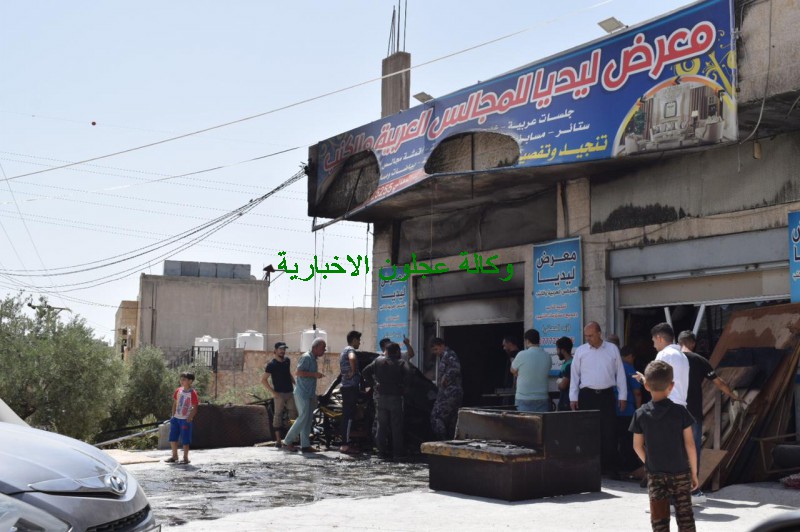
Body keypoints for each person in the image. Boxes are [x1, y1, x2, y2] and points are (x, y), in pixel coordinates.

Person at [630, 360, 698, 532]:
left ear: (646, 386)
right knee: (685, 517)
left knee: (659, 519)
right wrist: (694, 472)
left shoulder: (640, 414)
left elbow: (637, 446)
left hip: (655, 474)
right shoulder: (681, 412)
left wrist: (649, 462)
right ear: (671, 386)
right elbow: (690, 444)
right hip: (681, 472)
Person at [678, 330, 741, 504]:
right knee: (693, 451)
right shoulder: (699, 360)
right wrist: (733, 395)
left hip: (673, 413)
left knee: (675, 450)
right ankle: (694, 491)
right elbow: (718, 382)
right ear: (693, 343)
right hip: (692, 413)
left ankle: (674, 489)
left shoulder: (671, 359)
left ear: (679, 343)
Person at [570, 322, 627, 476]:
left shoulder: (612, 349)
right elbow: (574, 375)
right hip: (587, 396)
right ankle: (590, 466)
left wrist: (622, 396)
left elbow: (620, 373)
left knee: (609, 431)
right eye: (586, 336)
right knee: (588, 431)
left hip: (607, 395)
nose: (588, 338)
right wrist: (573, 397)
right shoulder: (581, 351)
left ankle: (610, 467)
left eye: (591, 335)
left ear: (599, 333)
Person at [362, 342, 407, 459]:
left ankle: (381, 452)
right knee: (396, 427)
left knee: (381, 426)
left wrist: (374, 384)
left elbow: (365, 372)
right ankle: (397, 453)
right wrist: (403, 388)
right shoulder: (401, 363)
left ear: (386, 351)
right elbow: (410, 378)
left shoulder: (377, 361)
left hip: (381, 398)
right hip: (396, 398)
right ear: (397, 351)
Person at [283, 338, 326, 453]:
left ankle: (305, 445)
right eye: (323, 347)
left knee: (308, 419)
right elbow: (298, 372)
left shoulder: (313, 359)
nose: (324, 350)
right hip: (302, 393)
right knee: (303, 417)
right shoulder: (306, 357)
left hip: (309, 393)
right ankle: (287, 441)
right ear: (315, 347)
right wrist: (314, 374)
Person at [261, 341, 297, 448]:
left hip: (290, 393)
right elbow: (263, 380)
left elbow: (288, 374)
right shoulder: (271, 365)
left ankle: (291, 440)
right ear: (275, 350)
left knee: (293, 416)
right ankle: (278, 441)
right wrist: (273, 392)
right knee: (278, 416)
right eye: (280, 349)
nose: (282, 351)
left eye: (284, 349)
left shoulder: (287, 361)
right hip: (279, 394)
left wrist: (296, 384)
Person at [616, 346, 643, 472]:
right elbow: (637, 392)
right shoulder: (629, 369)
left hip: (613, 409)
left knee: (617, 440)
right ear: (630, 356)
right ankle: (630, 467)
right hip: (627, 410)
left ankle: (619, 466)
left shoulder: (613, 366)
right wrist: (639, 410)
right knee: (629, 440)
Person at [510, 329, 551, 412]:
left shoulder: (521, 354)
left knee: (524, 421)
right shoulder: (547, 356)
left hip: (523, 399)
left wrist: (520, 373)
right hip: (542, 399)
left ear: (527, 341)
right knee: (541, 421)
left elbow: (512, 370)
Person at [430, 337, 463, 440]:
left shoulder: (449, 355)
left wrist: (446, 377)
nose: (435, 352)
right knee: (451, 421)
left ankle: (443, 441)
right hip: (448, 393)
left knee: (436, 417)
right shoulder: (444, 356)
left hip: (450, 393)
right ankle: (450, 442)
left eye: (436, 349)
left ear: (442, 345)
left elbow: (456, 368)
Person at [650, 323, 689, 407]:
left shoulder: (664, 354)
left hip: (667, 407)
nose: (654, 345)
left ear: (659, 338)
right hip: (681, 407)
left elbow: (656, 382)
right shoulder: (683, 356)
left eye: (654, 341)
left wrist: (643, 380)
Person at [166, 371, 199, 464]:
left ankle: (185, 458)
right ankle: (174, 456)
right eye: (181, 379)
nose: (181, 381)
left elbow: (195, 407)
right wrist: (173, 415)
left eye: (184, 379)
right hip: (176, 419)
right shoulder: (178, 390)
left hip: (185, 420)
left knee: (185, 439)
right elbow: (175, 403)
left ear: (190, 381)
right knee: (173, 438)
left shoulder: (192, 393)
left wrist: (190, 417)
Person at [339, 330, 362, 454]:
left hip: (346, 387)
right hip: (351, 387)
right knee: (348, 417)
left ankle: (346, 442)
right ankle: (345, 445)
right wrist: (353, 372)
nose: (359, 343)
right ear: (354, 340)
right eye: (358, 340)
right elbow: (352, 358)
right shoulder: (350, 350)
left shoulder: (343, 350)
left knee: (347, 415)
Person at [555, 336, 573, 411]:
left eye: (557, 349)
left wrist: (559, 384)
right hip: (564, 401)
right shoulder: (566, 363)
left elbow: (562, 386)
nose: (557, 353)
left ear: (562, 350)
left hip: (568, 404)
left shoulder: (570, 365)